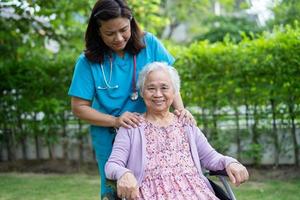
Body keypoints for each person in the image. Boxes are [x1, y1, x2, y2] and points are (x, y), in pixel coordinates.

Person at [68, 0, 194, 199]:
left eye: (123, 30)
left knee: (156, 186)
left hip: (149, 133)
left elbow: (169, 82)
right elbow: (79, 107)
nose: (118, 38)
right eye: (109, 33)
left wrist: (180, 110)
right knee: (115, 190)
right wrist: (115, 121)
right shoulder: (87, 62)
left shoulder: (149, 43)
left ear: (131, 22)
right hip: (109, 134)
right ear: (97, 30)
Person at [105, 62, 249, 200]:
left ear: (174, 92)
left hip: (196, 193)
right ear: (142, 92)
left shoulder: (186, 123)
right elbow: (112, 165)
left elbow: (211, 157)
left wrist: (230, 162)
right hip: (150, 194)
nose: (158, 94)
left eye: (164, 88)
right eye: (151, 88)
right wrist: (124, 173)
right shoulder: (131, 126)